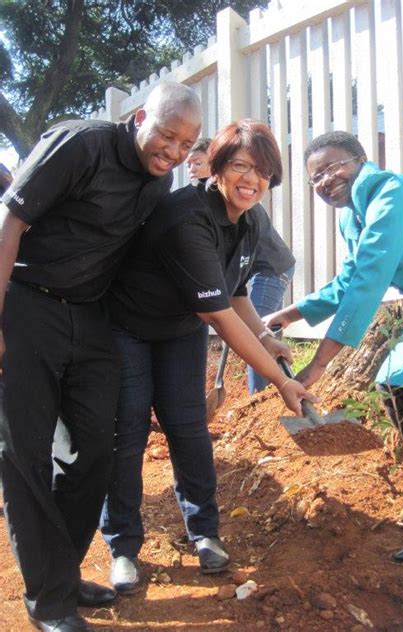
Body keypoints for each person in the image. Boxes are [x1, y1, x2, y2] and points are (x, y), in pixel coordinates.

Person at [0, 81, 202, 632]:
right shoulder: (80, 143)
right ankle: (48, 599)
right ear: (140, 117)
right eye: (168, 133)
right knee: (26, 458)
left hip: (90, 321)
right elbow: (9, 219)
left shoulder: (158, 186)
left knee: (95, 452)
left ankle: (60, 575)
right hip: (26, 306)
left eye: (187, 144)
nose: (175, 151)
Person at [100, 119, 315, 593]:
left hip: (179, 329)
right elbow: (218, 315)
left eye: (261, 171)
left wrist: (265, 335)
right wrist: (280, 382)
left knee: (189, 428)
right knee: (127, 432)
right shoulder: (187, 216)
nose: (250, 179)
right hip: (127, 328)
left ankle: (205, 533)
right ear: (216, 167)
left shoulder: (250, 219)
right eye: (239, 165)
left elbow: (236, 293)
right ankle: (122, 547)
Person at [265, 130, 403, 563]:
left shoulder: (391, 193)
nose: (325, 179)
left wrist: (319, 364)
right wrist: (293, 313)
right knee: (392, 384)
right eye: (315, 176)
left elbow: (369, 278)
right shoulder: (351, 216)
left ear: (361, 160)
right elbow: (349, 279)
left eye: (334, 165)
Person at [185, 138, 296, 393]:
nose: (191, 169)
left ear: (215, 162)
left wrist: (263, 337)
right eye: (189, 164)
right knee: (254, 334)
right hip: (250, 274)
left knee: (256, 335)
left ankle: (260, 396)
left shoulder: (245, 209)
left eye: (198, 163)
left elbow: (231, 302)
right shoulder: (202, 208)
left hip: (272, 269)